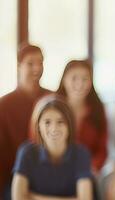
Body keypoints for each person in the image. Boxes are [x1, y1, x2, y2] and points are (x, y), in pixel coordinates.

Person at [11, 95, 93, 200]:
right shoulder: (26, 152)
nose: (54, 129)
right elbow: (18, 198)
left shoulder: (81, 153)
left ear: (70, 125)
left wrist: (35, 197)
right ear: (38, 126)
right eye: (47, 122)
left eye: (60, 122)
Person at [0, 44, 51, 198]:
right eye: (30, 63)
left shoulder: (52, 99)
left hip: (50, 174)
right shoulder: (4, 105)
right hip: (14, 177)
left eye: (40, 63)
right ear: (18, 66)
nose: (37, 68)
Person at [56, 60, 108, 172]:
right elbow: (38, 143)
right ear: (64, 80)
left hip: (87, 172)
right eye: (74, 78)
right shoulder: (51, 108)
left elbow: (102, 150)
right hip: (55, 170)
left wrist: (89, 169)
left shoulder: (98, 109)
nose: (80, 84)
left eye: (85, 79)